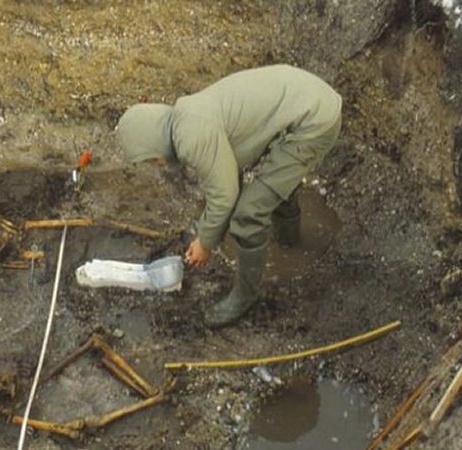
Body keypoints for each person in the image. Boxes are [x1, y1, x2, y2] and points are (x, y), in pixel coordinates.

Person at [115, 64, 342, 327]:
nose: (156, 164)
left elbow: (225, 196)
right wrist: (207, 232)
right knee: (273, 187)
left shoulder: (191, 137)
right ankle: (289, 244)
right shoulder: (185, 115)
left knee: (249, 213)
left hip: (313, 123)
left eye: (150, 159)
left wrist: (206, 244)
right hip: (306, 100)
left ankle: (246, 295)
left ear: (152, 143)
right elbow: (227, 175)